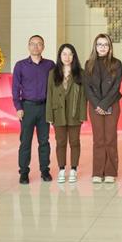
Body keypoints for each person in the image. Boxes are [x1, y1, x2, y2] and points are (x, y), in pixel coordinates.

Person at [12, 35, 56, 184]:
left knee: (44, 141)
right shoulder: (20, 65)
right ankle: (24, 172)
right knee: (25, 142)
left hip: (44, 108)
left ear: (43, 47)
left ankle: (45, 171)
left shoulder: (50, 65)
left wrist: (52, 108)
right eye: (33, 44)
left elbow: (55, 87)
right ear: (28, 46)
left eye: (39, 44)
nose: (36, 46)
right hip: (27, 108)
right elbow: (15, 88)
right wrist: (18, 107)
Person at [84, 34, 122, 184]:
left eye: (106, 44)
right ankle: (98, 172)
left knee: (110, 138)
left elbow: (116, 86)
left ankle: (110, 171)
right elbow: (87, 87)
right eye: (99, 44)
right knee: (98, 139)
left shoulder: (116, 63)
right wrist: (97, 104)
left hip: (112, 103)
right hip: (95, 105)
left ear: (110, 47)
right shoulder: (89, 64)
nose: (102, 47)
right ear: (95, 46)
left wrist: (104, 104)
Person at [46, 43, 87, 183]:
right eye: (64, 54)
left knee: (75, 142)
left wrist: (82, 115)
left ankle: (74, 169)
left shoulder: (81, 73)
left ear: (74, 56)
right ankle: (62, 169)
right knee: (60, 142)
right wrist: (49, 115)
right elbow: (49, 95)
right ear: (60, 56)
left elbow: (83, 96)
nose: (67, 57)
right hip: (58, 113)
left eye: (70, 54)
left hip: (74, 114)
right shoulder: (53, 73)